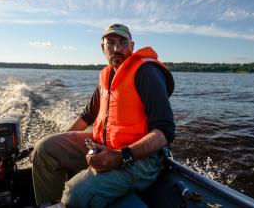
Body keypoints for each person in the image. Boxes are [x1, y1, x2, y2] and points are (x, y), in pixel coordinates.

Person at [32, 23, 175, 208]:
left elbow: (165, 132)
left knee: (76, 194)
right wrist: (60, 138)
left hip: (143, 158)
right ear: (103, 48)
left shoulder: (146, 73)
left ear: (132, 46)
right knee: (45, 149)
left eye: (122, 43)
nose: (116, 49)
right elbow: (86, 117)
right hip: (106, 145)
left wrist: (120, 156)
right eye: (110, 43)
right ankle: (51, 204)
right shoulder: (107, 77)